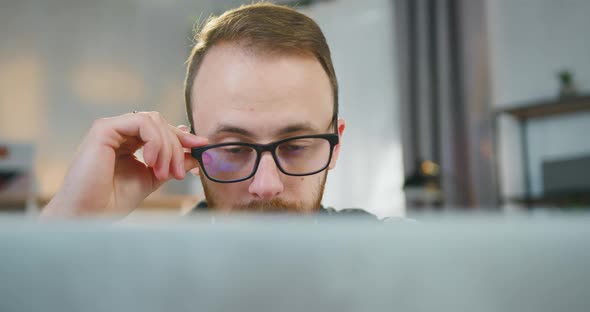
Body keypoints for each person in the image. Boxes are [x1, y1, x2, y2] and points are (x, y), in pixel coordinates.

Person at [42, 2, 360, 217]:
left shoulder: (398, 259)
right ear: (191, 149)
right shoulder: (148, 276)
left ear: (336, 145)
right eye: (233, 149)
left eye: (296, 146)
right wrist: (73, 223)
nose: (266, 186)